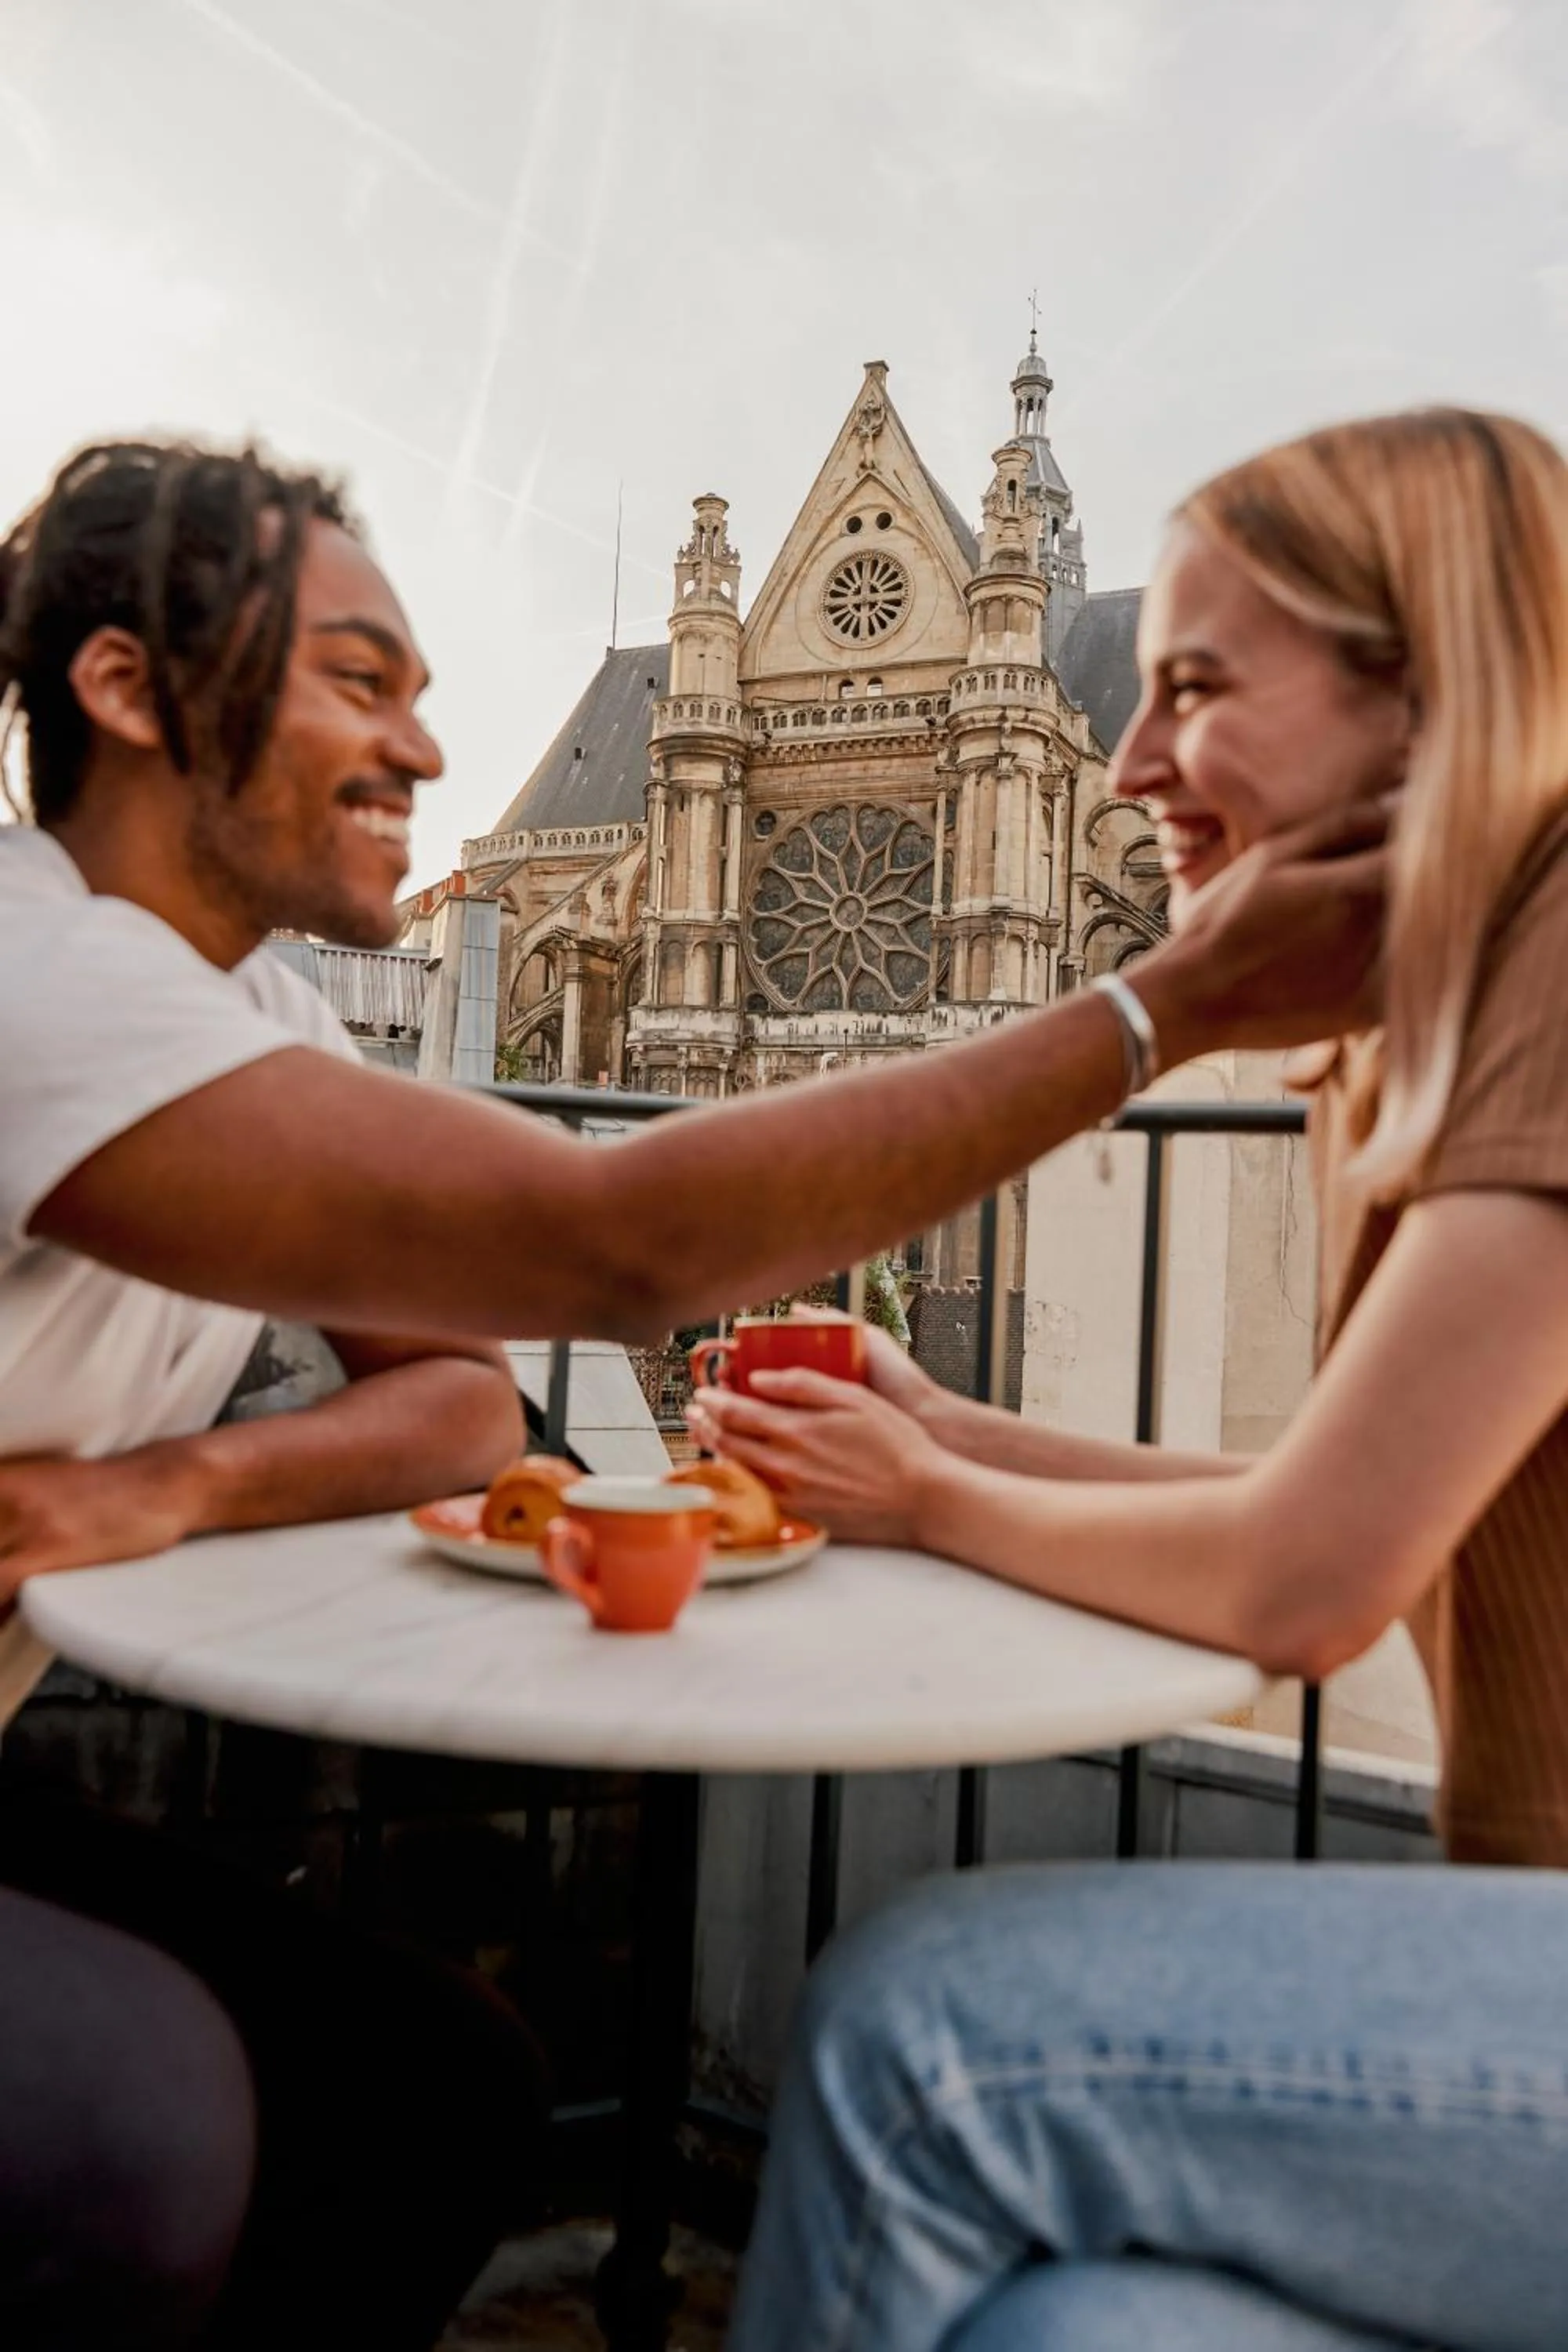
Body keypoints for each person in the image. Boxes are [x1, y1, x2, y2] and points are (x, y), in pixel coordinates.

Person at [0, 435, 1382, 2349]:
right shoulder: (41, 976)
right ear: (129, 692)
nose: (420, 752)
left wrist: (164, 1493)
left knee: (444, 2087)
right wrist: (1165, 1006)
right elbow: (609, 1251)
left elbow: (468, 1407)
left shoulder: (256, 1017)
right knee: (135, 2141)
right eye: (359, 682)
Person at [706, 408, 1568, 2350]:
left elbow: (1298, 1586)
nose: (1126, 757)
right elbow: (1346, 1515)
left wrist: (921, 1498)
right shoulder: (1435, 1017)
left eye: (1191, 686)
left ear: (1427, 686)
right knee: (1064, 2323)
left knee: (915, 2040)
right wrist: (939, 1423)